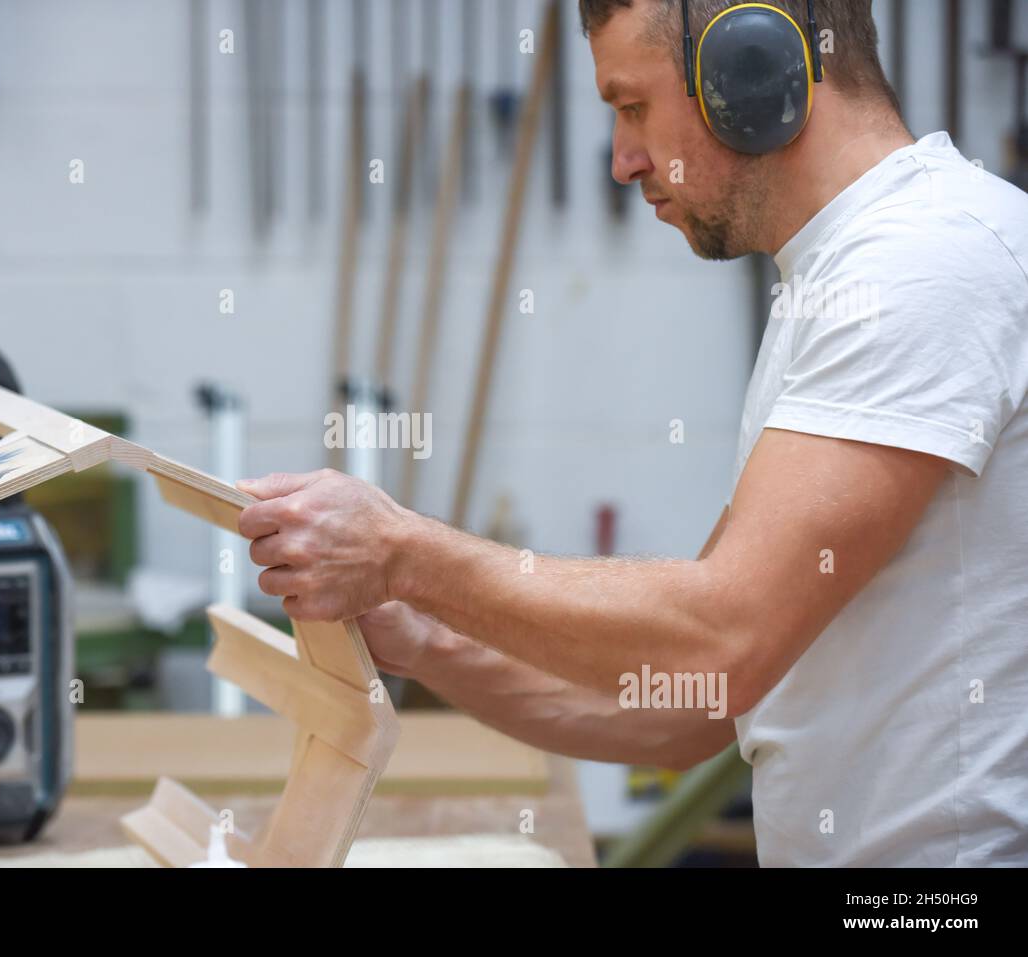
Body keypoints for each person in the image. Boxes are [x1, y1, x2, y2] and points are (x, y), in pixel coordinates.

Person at [235, 0, 1028, 866]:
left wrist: (405, 551)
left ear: (752, 71)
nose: (622, 160)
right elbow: (690, 704)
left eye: (631, 106)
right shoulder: (839, 278)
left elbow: (722, 641)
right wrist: (424, 637)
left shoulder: (922, 263)